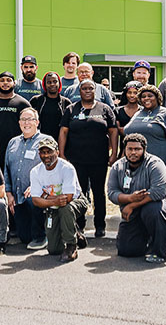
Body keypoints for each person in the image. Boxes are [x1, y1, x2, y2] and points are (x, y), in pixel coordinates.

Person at [59, 79, 118, 238]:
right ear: (79, 91)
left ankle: (100, 225)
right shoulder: (71, 109)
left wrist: (113, 154)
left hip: (99, 159)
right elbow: (64, 132)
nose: (87, 91)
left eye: (90, 88)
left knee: (99, 192)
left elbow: (113, 132)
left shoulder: (104, 109)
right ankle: (79, 224)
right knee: (79, 193)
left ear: (95, 91)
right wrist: (62, 154)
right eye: (84, 88)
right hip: (76, 160)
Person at [108, 133, 166, 263]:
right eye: (130, 149)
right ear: (124, 150)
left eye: (137, 149)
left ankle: (160, 251)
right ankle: (149, 236)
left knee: (152, 210)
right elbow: (112, 193)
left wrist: (132, 205)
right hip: (134, 212)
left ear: (144, 149)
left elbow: (158, 192)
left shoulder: (155, 164)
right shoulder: (118, 167)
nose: (133, 152)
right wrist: (130, 198)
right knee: (126, 250)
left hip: (159, 206)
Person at [29, 135, 89, 262]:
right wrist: (53, 200)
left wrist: (45, 197)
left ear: (57, 151)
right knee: (54, 250)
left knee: (65, 209)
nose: (46, 156)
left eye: (50, 152)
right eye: (43, 152)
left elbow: (67, 198)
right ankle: (75, 233)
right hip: (53, 206)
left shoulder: (66, 168)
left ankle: (71, 246)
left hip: (76, 201)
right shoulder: (35, 172)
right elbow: (35, 200)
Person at [121, 85, 166, 200]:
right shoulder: (138, 114)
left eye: (150, 95)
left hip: (160, 164)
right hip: (136, 165)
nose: (146, 98)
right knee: (139, 194)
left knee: (163, 195)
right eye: (143, 96)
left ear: (157, 97)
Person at [5, 108, 49, 249]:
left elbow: (51, 168)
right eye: (23, 120)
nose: (26, 123)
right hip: (18, 197)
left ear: (37, 122)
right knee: (24, 237)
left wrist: (36, 186)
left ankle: (41, 236)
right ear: (19, 123)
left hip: (38, 194)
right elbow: (6, 169)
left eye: (30, 119)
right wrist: (8, 193)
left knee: (34, 198)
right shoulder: (12, 142)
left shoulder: (46, 141)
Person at [32, 72, 68, 139]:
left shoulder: (66, 102)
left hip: (60, 141)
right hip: (39, 141)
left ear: (59, 83)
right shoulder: (36, 101)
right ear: (44, 85)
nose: (52, 84)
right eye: (49, 82)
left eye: (55, 81)